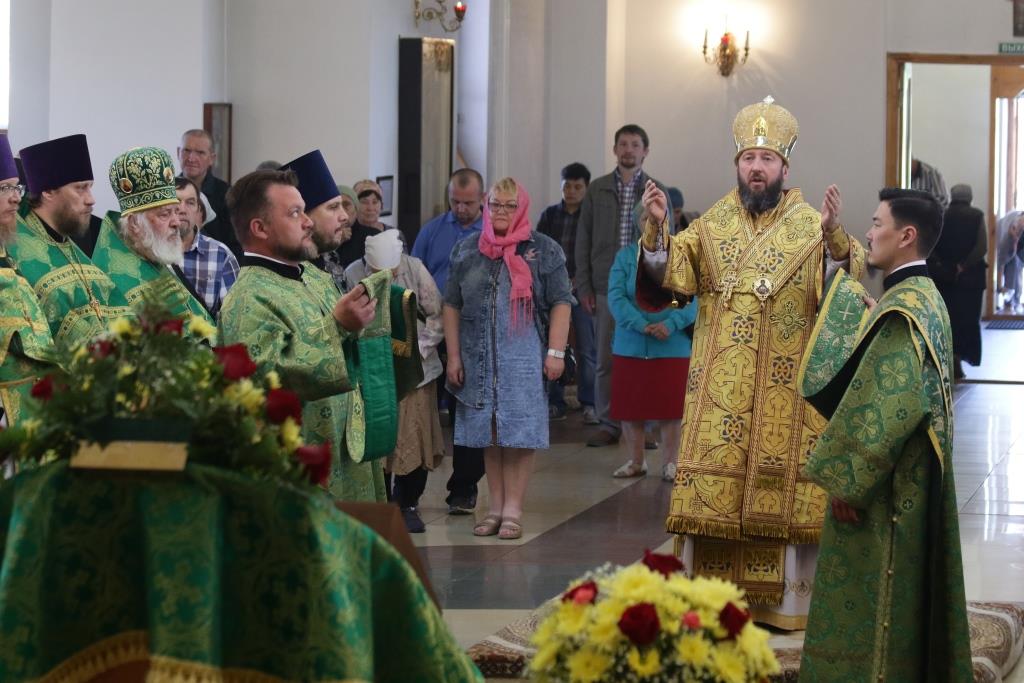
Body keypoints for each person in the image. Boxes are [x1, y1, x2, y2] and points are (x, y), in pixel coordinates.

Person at [636, 96, 867, 628]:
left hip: (785, 394)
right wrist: (656, 231)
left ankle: (785, 606)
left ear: (785, 167)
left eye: (766, 159)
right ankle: (711, 599)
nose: (756, 168)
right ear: (737, 164)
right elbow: (669, 280)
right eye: (748, 159)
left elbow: (845, 286)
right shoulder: (711, 225)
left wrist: (834, 238)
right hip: (721, 390)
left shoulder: (811, 224)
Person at [799, 188, 971, 681]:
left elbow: (888, 403)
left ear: (906, 235)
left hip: (885, 492)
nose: (869, 233)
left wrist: (849, 483)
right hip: (912, 479)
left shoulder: (903, 311)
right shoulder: (923, 297)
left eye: (877, 224)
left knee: (874, 606)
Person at [217, 168, 385, 502]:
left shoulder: (313, 276)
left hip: (346, 448)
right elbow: (272, 379)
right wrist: (338, 325)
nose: (308, 222)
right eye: (295, 213)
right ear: (260, 228)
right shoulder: (247, 298)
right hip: (298, 467)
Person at [444, 178, 572, 540]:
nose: (501, 211)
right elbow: (451, 304)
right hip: (478, 359)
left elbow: (562, 301)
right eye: (495, 204)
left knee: (518, 435)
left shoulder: (543, 249)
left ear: (522, 208)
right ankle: (495, 508)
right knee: (490, 435)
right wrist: (453, 356)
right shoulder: (467, 250)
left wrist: (556, 352)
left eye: (509, 205)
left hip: (523, 360)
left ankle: (513, 509)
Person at [575, 124, 673, 447]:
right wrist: (584, 286)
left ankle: (645, 426)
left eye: (635, 145)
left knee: (644, 358)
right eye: (623, 144)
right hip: (605, 287)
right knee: (606, 360)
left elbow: (668, 240)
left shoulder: (657, 190)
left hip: (644, 290)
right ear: (615, 149)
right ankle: (608, 423)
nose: (628, 150)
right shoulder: (597, 189)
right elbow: (583, 239)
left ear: (646, 151)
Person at [346, 230, 446, 534]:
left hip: (416, 371)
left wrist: (416, 349)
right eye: (377, 272)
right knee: (378, 439)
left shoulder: (415, 269)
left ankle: (408, 504)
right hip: (373, 372)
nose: (385, 277)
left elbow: (437, 315)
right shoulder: (353, 274)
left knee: (414, 437)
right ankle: (382, 502)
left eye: (390, 272)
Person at [8, 134, 132, 350]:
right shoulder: (18, 252)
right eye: (80, 188)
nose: (91, 199)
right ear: (48, 191)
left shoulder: (74, 246)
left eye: (90, 187)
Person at [412, 168, 487, 515]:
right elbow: (414, 276)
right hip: (432, 329)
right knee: (423, 406)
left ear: (482, 199)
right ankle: (411, 487)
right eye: (455, 202)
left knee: (466, 410)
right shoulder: (432, 231)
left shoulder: (491, 232)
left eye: (468, 203)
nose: (461, 209)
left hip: (473, 330)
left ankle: (463, 487)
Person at [93, 147, 215, 326]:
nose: (176, 222)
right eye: (165, 214)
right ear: (134, 223)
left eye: (176, 212)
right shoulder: (114, 282)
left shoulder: (153, 253)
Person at [607, 241, 697, 481]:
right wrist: (640, 324)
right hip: (630, 343)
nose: (652, 224)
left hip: (672, 344)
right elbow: (616, 296)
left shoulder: (681, 257)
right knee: (630, 407)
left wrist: (670, 324)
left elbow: (690, 298)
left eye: (658, 221)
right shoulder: (625, 256)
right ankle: (636, 462)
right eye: (646, 221)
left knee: (671, 409)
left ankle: (671, 464)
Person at [0, 134, 55, 427]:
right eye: (4, 188)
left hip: (29, 408)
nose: (15, 197)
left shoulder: (7, 254)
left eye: (16, 187)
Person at [537, 162, 597, 423]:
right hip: (553, 291)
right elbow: (538, 251)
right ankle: (554, 401)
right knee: (553, 346)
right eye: (567, 186)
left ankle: (590, 402)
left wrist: (579, 280)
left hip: (582, 289)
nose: (571, 191)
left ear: (586, 188)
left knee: (587, 348)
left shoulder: (591, 216)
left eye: (577, 187)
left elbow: (594, 253)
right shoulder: (550, 215)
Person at [927, 183, 986, 379]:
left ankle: (949, 360)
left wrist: (945, 266)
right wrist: (964, 265)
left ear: (952, 196)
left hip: (944, 277)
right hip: (971, 279)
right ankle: (962, 357)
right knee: (968, 320)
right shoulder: (977, 216)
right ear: (970, 197)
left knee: (948, 319)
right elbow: (982, 247)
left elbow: (931, 244)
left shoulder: (941, 215)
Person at [176, 177, 239, 316]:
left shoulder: (220, 255)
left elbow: (233, 318)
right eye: (176, 202)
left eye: (190, 203)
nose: (182, 209)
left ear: (198, 210)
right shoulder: (147, 252)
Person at [177, 129, 238, 257]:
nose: (191, 158)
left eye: (200, 153)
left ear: (212, 158)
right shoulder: (165, 191)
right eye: (186, 150)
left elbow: (235, 244)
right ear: (178, 153)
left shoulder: (227, 194)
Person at [333, 179, 386, 267]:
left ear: (356, 208)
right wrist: (336, 243)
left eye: (346, 205)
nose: (341, 211)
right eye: (335, 206)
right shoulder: (321, 236)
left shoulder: (374, 236)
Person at [997, 210, 1024, 313]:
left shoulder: (1019, 220)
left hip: (1015, 240)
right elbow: (1001, 262)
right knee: (1014, 265)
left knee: (1017, 265)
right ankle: (1011, 301)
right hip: (1007, 241)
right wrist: (1000, 286)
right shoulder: (1007, 238)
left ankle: (1014, 300)